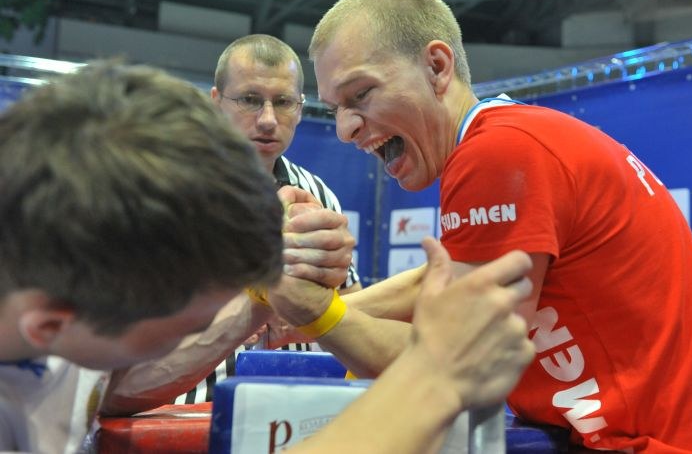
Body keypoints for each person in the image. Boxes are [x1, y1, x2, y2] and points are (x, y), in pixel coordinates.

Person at [281, 0, 692, 453]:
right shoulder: (512, 137)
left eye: (361, 94)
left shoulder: (496, 154)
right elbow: (451, 280)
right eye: (335, 107)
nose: (345, 128)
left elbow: (457, 366)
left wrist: (319, 315)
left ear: (437, 66)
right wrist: (299, 320)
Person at [0, 61, 536, 453]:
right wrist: (431, 382)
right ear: (51, 325)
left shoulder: (58, 289)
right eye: (191, 320)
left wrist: (262, 298)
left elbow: (110, 389)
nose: (266, 119)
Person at [174, 34, 363, 405]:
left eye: (283, 102)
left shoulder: (320, 194)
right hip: (187, 412)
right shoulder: (168, 189)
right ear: (216, 103)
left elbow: (350, 299)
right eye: (249, 100)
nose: (267, 119)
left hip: (298, 412)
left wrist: (309, 314)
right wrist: (238, 312)